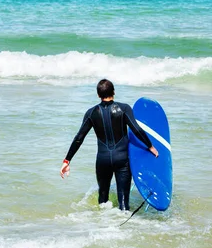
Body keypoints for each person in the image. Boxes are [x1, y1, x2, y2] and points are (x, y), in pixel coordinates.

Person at [60, 79, 158, 211]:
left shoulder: (91, 113)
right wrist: (150, 146)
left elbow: (79, 138)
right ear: (114, 92)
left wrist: (67, 160)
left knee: (103, 199)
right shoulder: (124, 109)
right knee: (123, 202)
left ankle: (102, 226)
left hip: (102, 160)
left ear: (98, 95)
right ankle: (123, 225)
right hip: (122, 160)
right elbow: (136, 129)